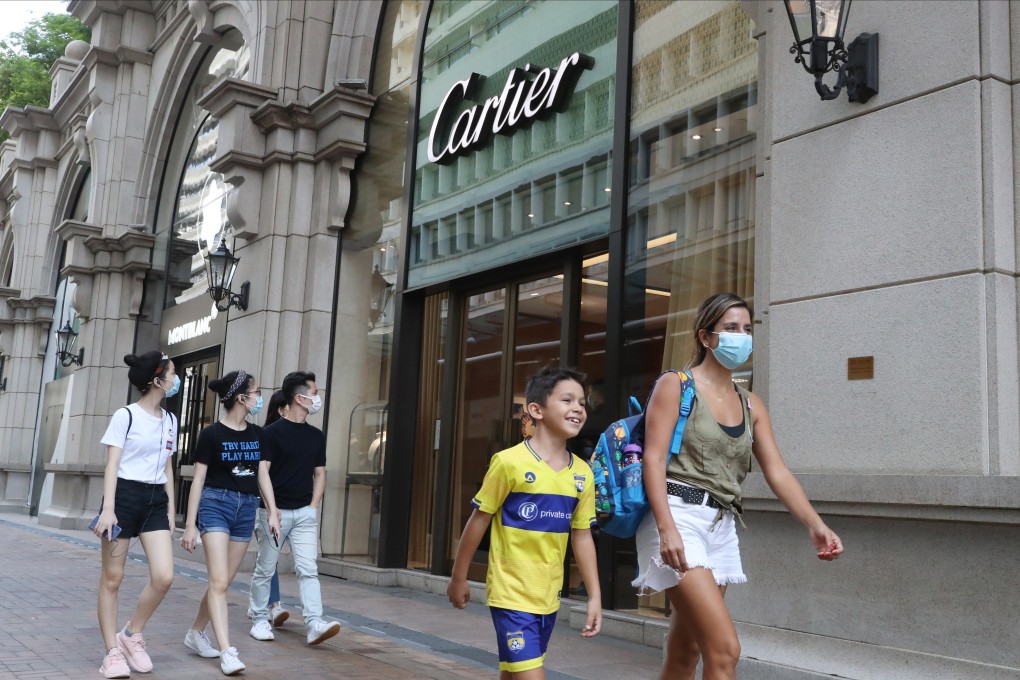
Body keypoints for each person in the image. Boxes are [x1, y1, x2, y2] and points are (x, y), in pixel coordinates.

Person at [635, 292, 844, 680]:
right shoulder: (676, 385)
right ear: (705, 337)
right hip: (677, 516)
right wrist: (666, 528)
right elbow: (654, 459)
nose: (741, 336)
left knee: (687, 650)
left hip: (721, 526)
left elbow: (777, 473)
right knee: (725, 651)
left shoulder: (751, 404)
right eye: (730, 328)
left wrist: (817, 525)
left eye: (747, 329)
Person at [447, 367, 602, 680]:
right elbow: (479, 521)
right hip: (510, 595)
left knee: (513, 672)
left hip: (548, 598)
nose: (577, 408)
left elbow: (582, 536)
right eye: (567, 400)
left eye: (582, 403)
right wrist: (458, 577)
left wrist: (595, 596)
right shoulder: (508, 463)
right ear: (536, 410)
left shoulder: (582, 473)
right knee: (532, 675)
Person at [180, 370, 281, 676]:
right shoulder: (211, 435)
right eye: (256, 392)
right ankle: (227, 651)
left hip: (247, 509)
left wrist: (273, 511)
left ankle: (195, 632)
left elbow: (262, 474)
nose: (259, 397)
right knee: (219, 582)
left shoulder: (258, 434)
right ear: (241, 398)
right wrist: (190, 524)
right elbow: (197, 481)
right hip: (216, 505)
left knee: (220, 583)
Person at [95, 352, 180, 678]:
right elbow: (112, 465)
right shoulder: (125, 416)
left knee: (164, 576)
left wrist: (171, 508)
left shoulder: (171, 420)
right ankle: (111, 653)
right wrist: (109, 509)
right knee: (113, 579)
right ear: (157, 381)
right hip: (125, 500)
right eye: (172, 374)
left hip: (156, 501)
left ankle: (131, 634)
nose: (176, 379)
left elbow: (167, 467)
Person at [248, 371, 341, 645]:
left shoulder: (316, 436)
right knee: (265, 568)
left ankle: (314, 623)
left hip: (304, 514)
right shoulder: (270, 434)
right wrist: (271, 508)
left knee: (308, 569)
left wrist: (313, 507)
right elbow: (261, 472)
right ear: (299, 398)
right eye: (313, 393)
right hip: (273, 514)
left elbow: (320, 473)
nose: (317, 398)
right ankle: (259, 619)